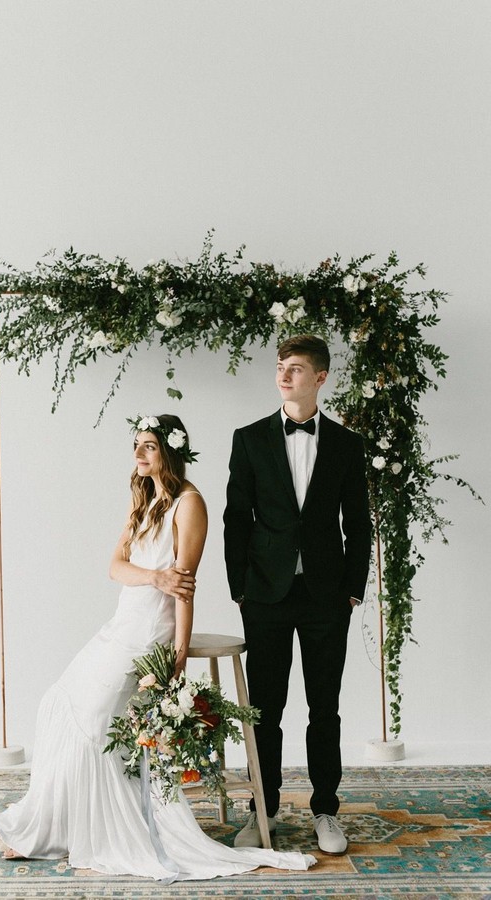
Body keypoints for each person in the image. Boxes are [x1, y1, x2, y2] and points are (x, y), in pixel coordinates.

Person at [0, 413, 316, 880]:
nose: (139, 453)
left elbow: (184, 588)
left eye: (148, 445)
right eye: (137, 445)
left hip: (151, 632)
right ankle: (41, 822)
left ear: (169, 450)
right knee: (58, 705)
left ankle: (54, 829)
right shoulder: (142, 500)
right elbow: (114, 567)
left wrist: (179, 653)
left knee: (98, 720)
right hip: (121, 623)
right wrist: (153, 576)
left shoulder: (190, 504)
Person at [224, 335, 372, 855]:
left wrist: (353, 589)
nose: (285, 376)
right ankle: (260, 812)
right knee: (264, 708)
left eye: (296, 369)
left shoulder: (347, 445)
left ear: (321, 378)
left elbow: (358, 523)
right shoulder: (249, 439)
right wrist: (239, 587)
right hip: (264, 594)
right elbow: (235, 518)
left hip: (327, 596)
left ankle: (326, 811)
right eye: (281, 367)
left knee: (323, 707)